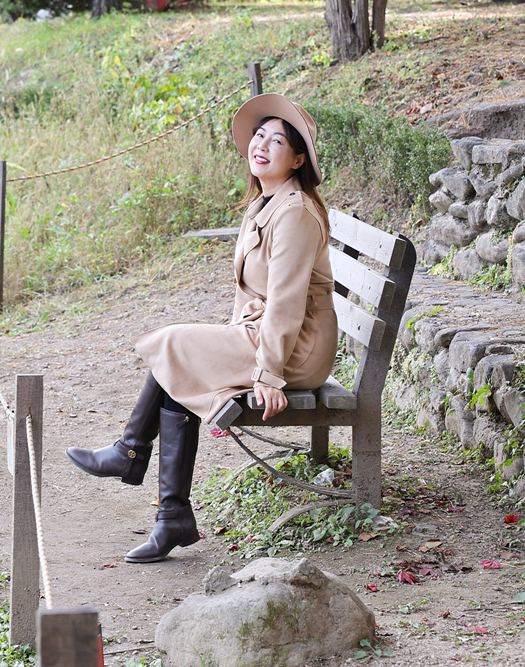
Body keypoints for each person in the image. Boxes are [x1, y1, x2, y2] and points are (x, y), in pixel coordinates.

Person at [66, 93, 338, 563]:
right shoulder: (266, 203)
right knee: (181, 362)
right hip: (267, 334)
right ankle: (170, 514)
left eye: (278, 141)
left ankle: (130, 455)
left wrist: (269, 374)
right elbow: (255, 297)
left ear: (297, 159)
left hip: (296, 349)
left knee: (175, 345)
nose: (263, 145)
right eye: (259, 135)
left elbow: (289, 306)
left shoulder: (293, 212)